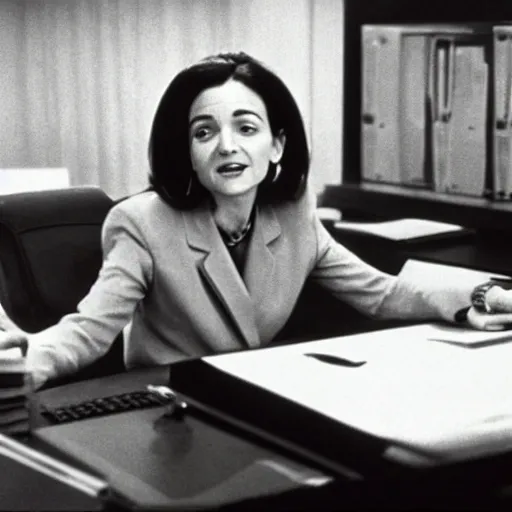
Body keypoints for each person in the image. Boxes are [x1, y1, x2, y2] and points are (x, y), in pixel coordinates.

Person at [1, 51, 512, 390]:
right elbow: (90, 330)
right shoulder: (142, 223)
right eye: (204, 132)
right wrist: (26, 360)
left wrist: (479, 297)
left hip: (254, 396)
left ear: (277, 145)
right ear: (189, 153)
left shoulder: (293, 215)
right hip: (168, 407)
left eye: (246, 127)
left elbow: (379, 294)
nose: (227, 145)